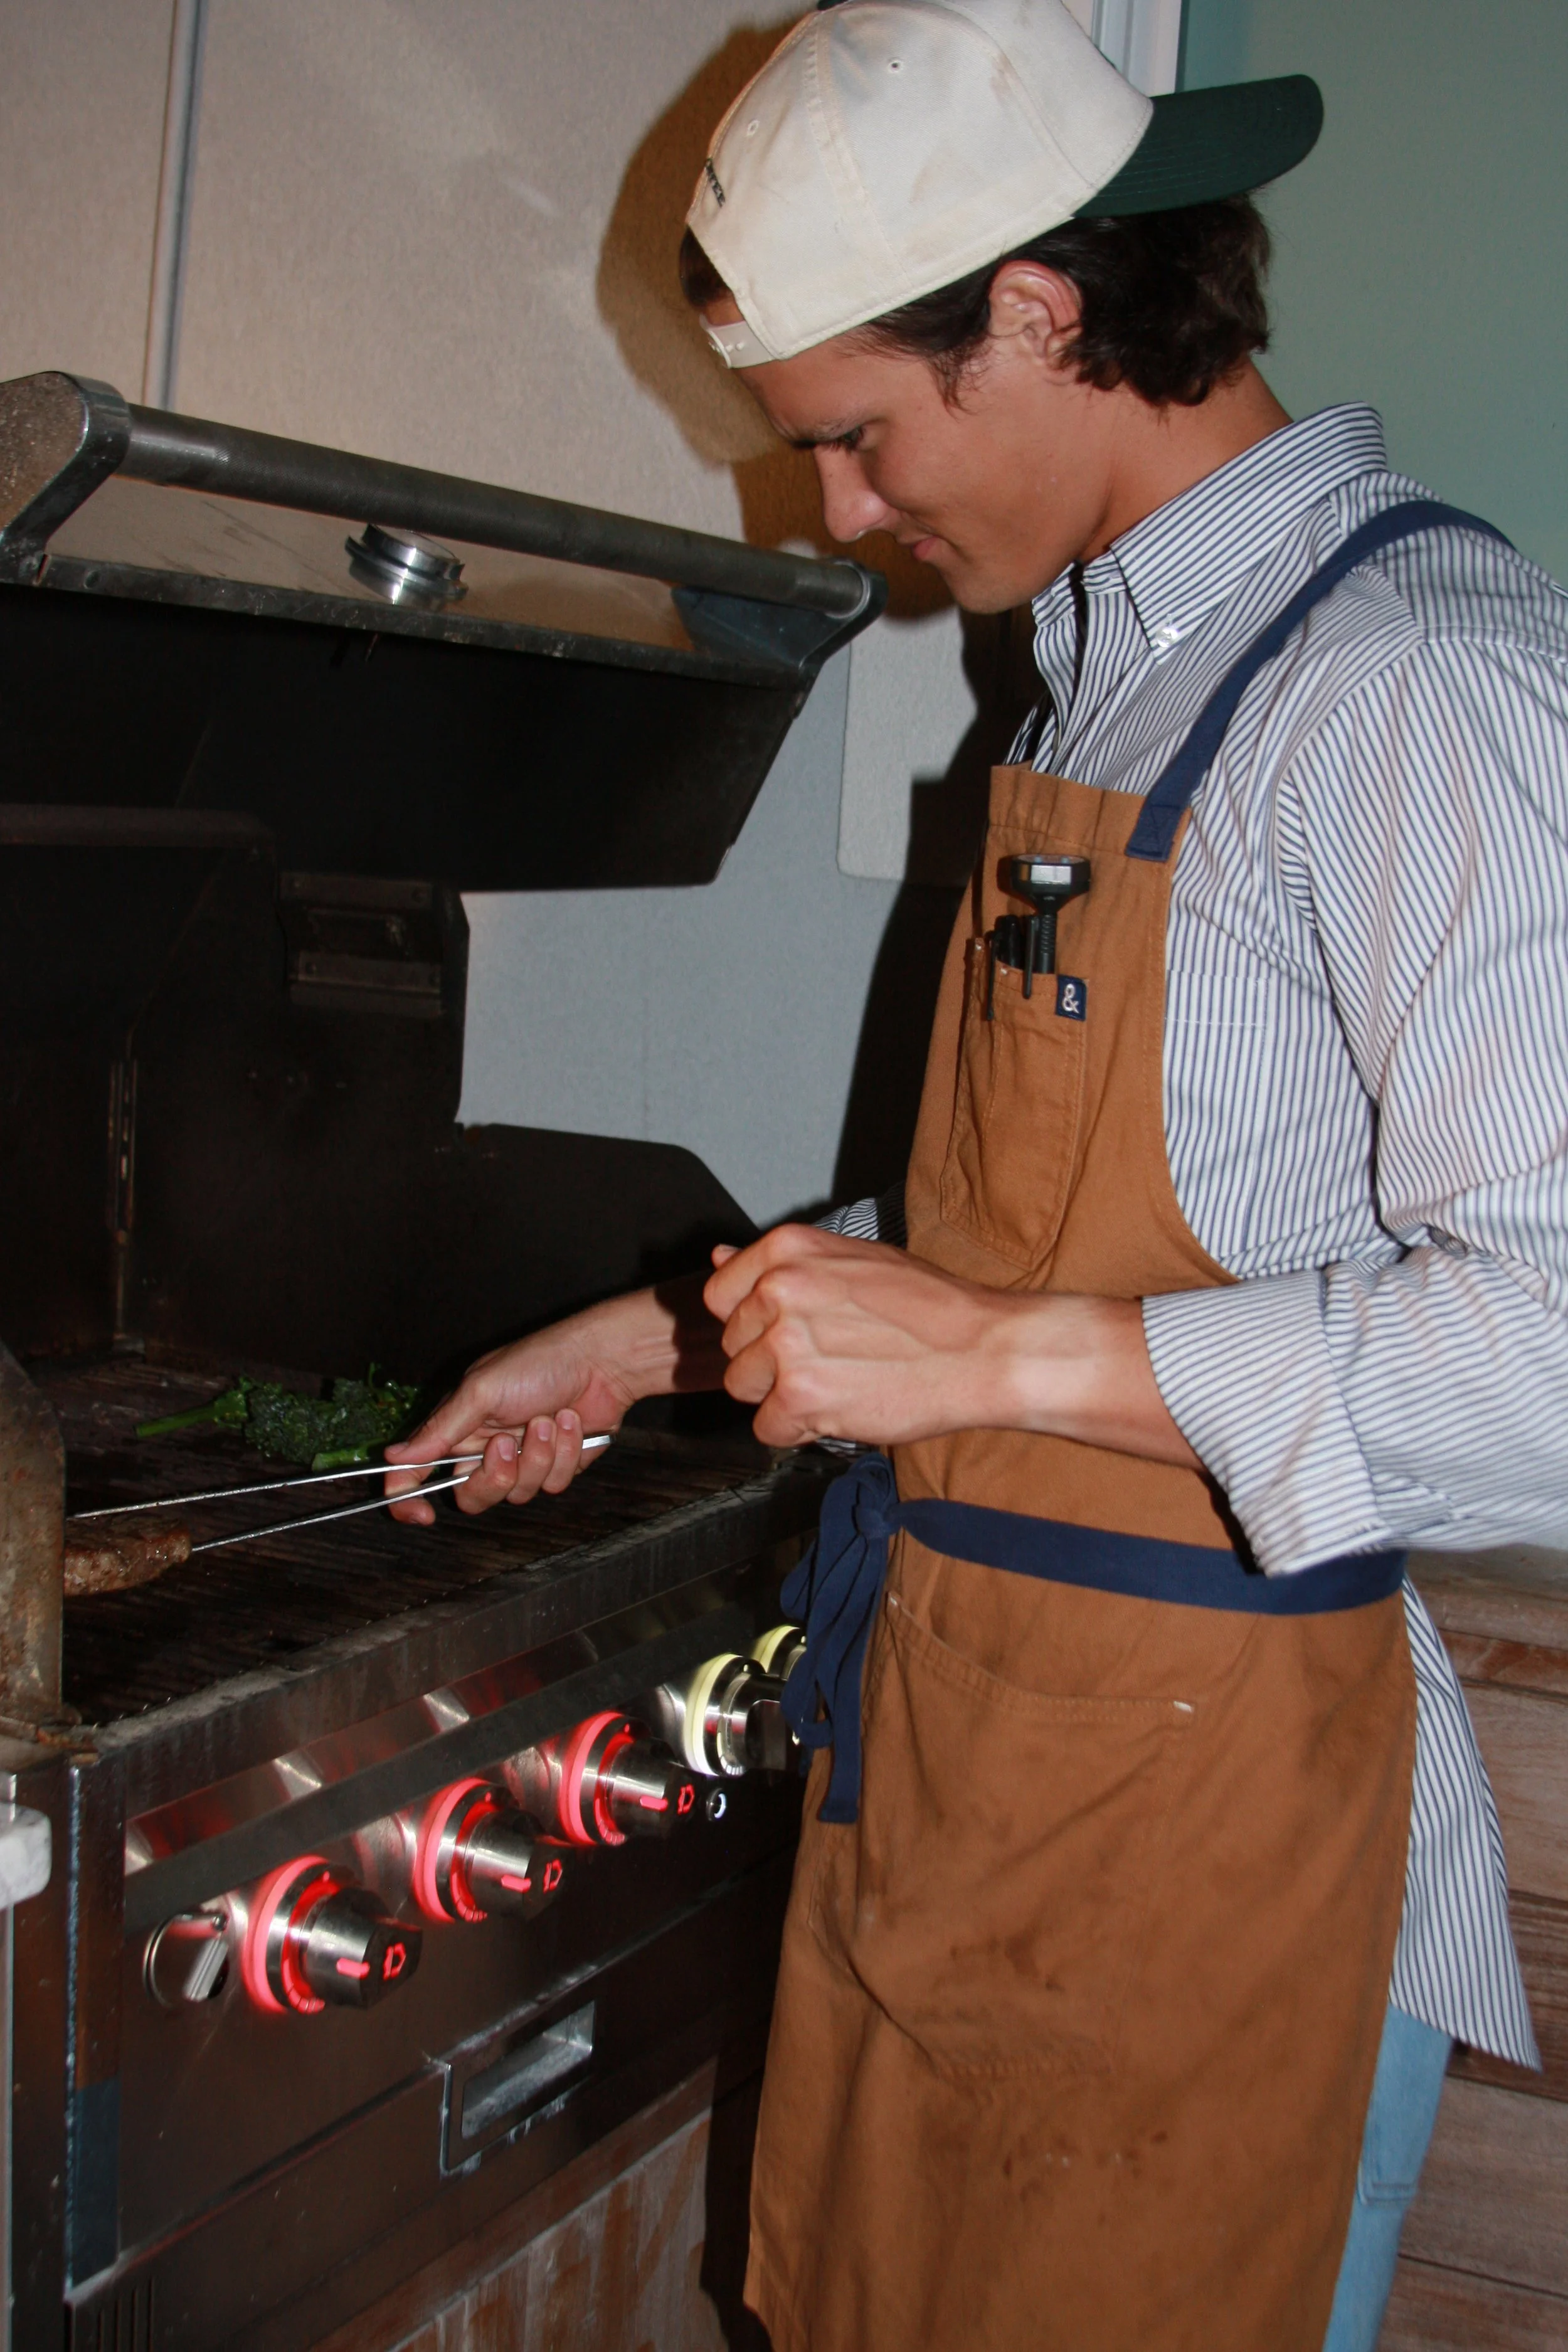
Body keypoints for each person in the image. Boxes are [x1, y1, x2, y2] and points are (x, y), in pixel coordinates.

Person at [388, 4, 1567, 2344]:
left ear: (1039, 311)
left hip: (1204, 1844)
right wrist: (672, 1328)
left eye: (855, 431)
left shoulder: (1410, 678)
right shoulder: (1106, 684)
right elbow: (1058, 1221)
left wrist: (999, 1347)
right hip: (973, 1785)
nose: (833, 511)